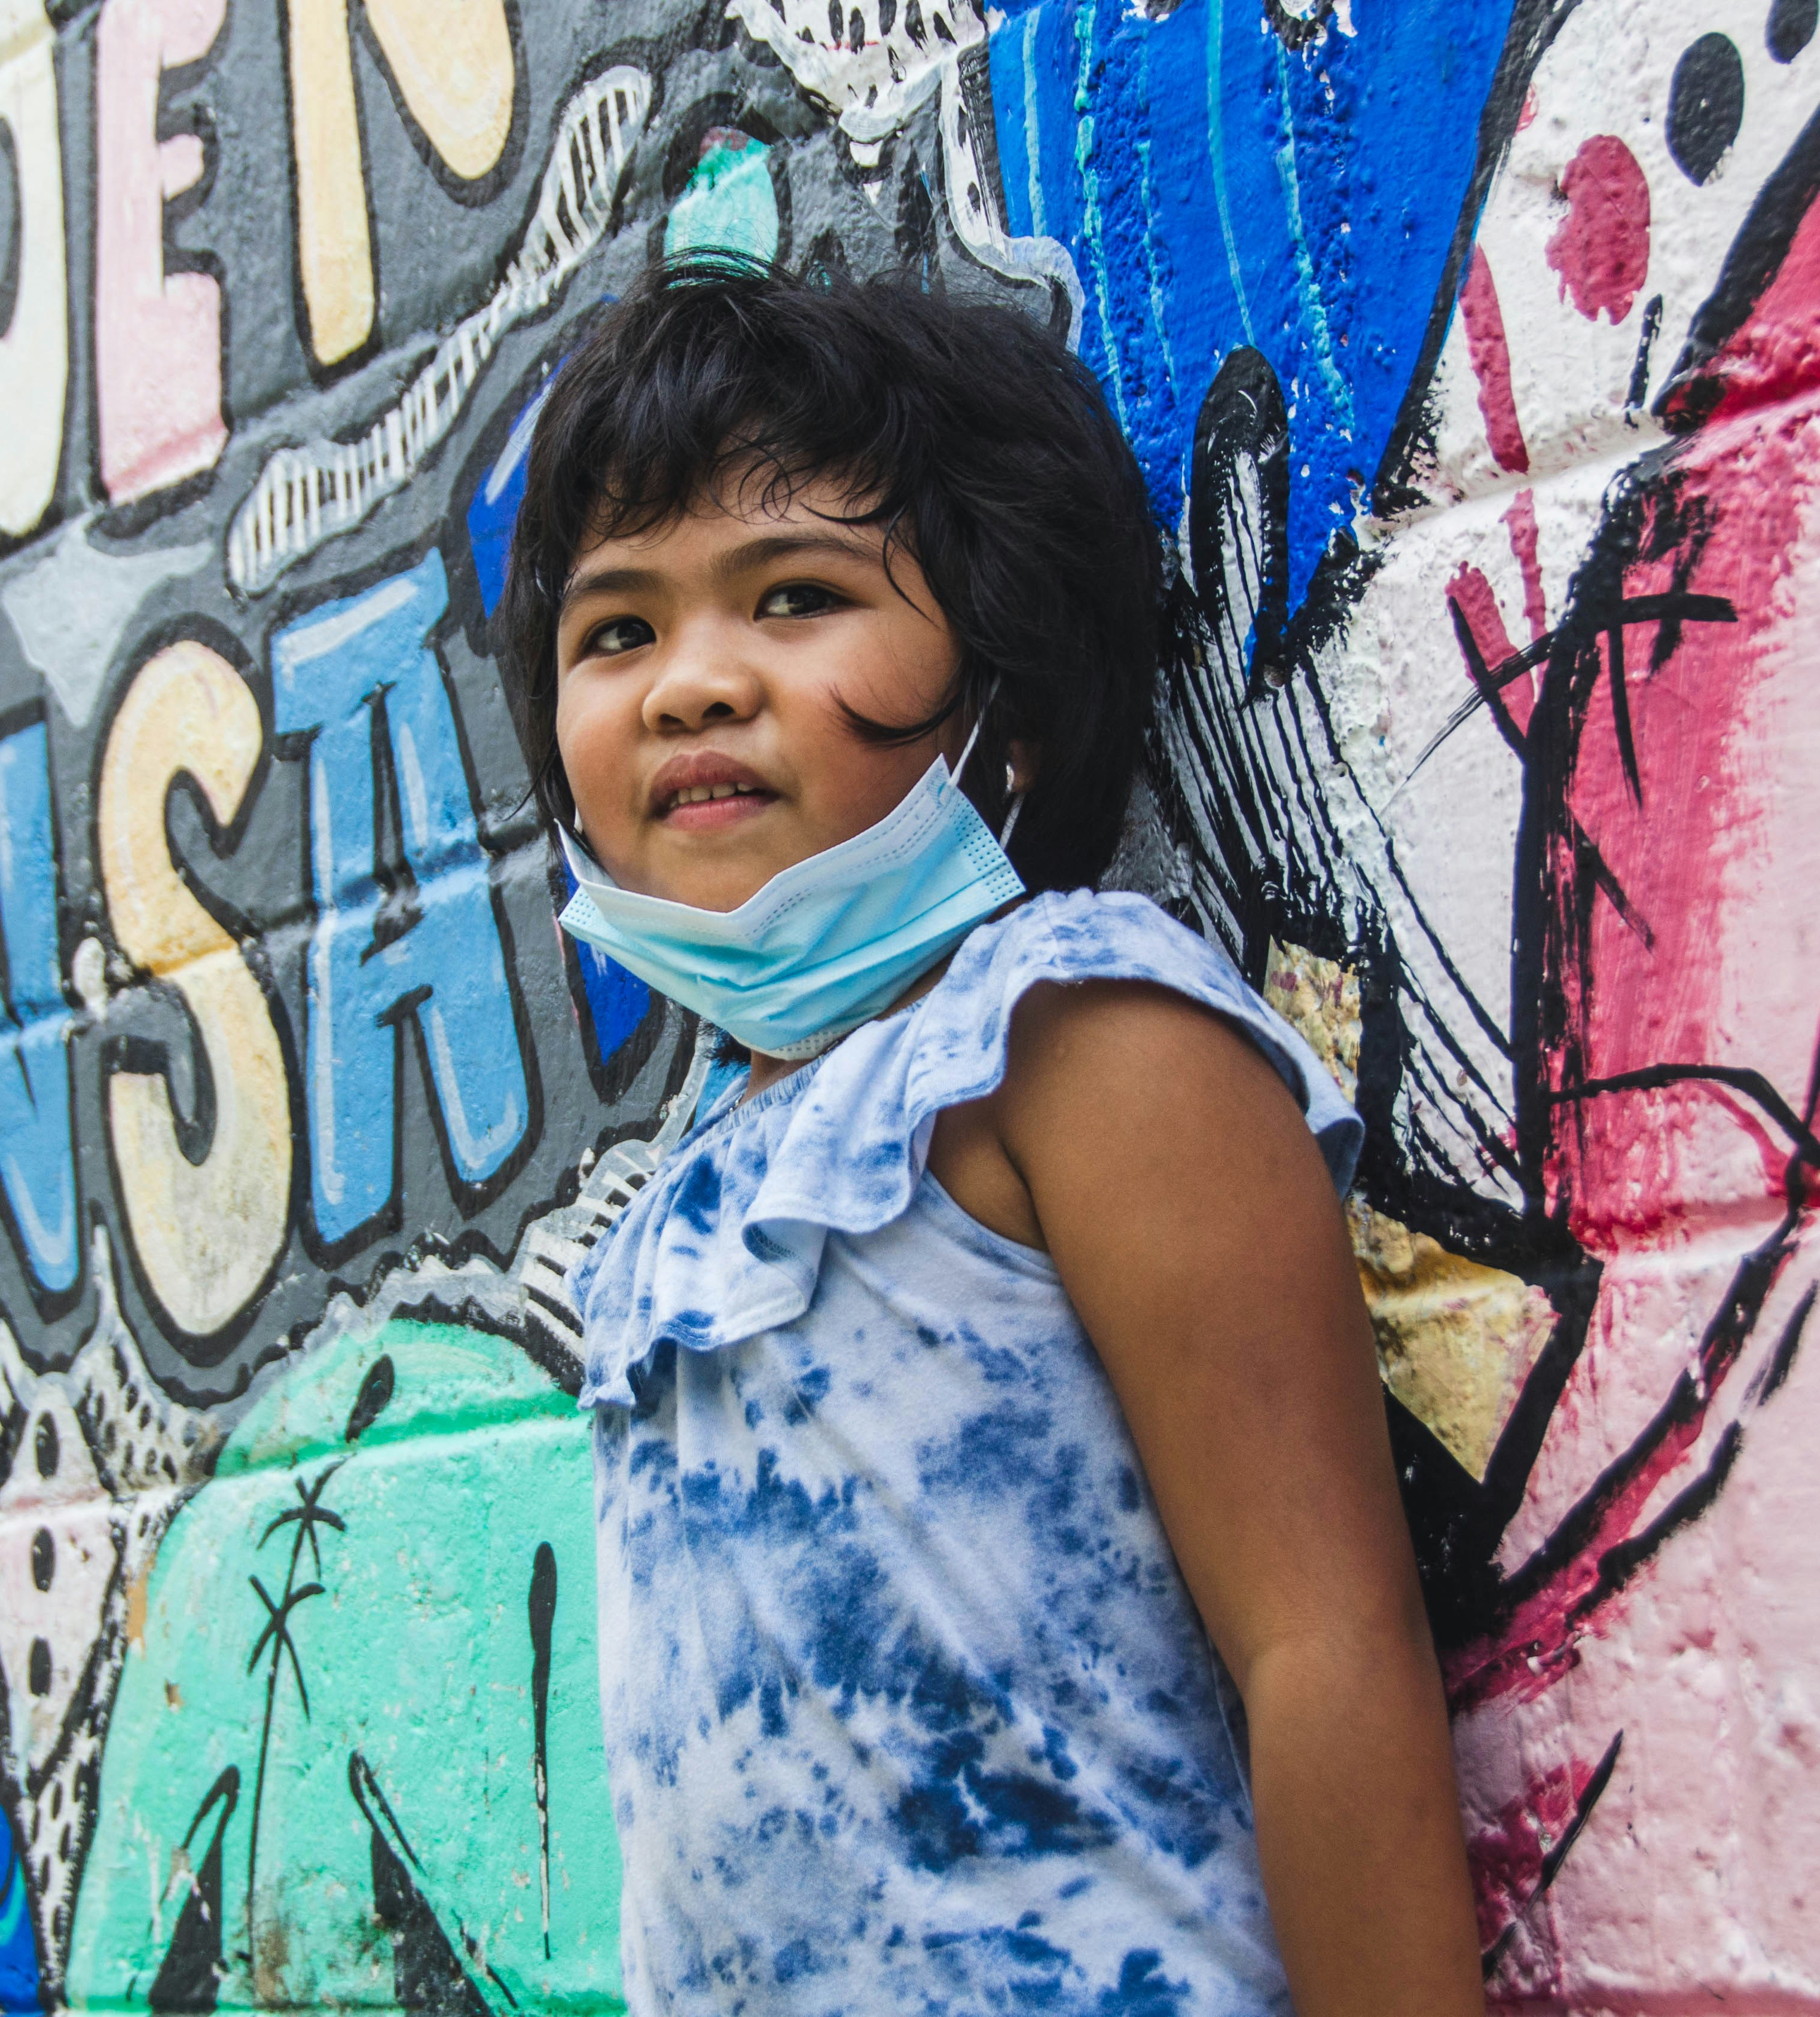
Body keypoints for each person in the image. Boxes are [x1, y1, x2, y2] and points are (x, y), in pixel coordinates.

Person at [500, 256, 1485, 2017]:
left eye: (796, 597)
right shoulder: (686, 1190)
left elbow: (1325, 1648)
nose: (688, 685)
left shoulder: (1066, 1037)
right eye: (618, 632)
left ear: (1009, 701)